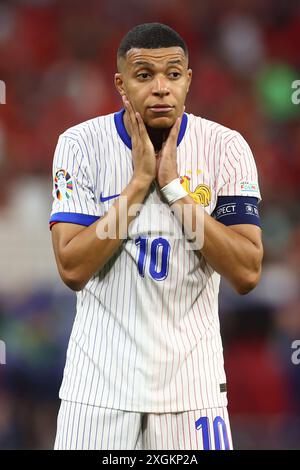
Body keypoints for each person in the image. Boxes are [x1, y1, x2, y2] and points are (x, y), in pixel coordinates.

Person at [49, 22, 263, 450]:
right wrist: (139, 183)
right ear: (121, 84)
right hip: (97, 396)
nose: (161, 87)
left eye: (173, 73)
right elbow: (72, 267)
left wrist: (174, 191)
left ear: (189, 80)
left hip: (193, 394)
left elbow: (246, 271)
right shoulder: (79, 145)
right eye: (144, 75)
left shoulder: (227, 147)